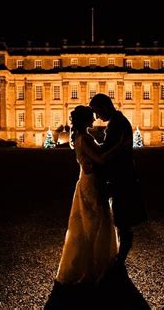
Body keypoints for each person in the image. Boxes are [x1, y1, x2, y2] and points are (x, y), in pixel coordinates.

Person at [55, 105, 129, 285]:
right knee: (93, 225)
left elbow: (97, 156)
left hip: (87, 181)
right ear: (84, 119)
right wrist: (120, 146)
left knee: (90, 223)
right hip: (92, 183)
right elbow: (101, 159)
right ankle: (90, 270)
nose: (95, 117)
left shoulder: (83, 137)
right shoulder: (84, 138)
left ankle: (92, 266)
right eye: (91, 115)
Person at [89, 93, 148, 268]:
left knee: (123, 217)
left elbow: (108, 152)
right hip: (122, 175)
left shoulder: (118, 124)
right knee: (122, 215)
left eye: (97, 112)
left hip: (123, 176)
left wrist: (88, 146)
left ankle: (121, 258)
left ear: (105, 106)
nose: (97, 117)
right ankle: (120, 256)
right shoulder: (117, 122)